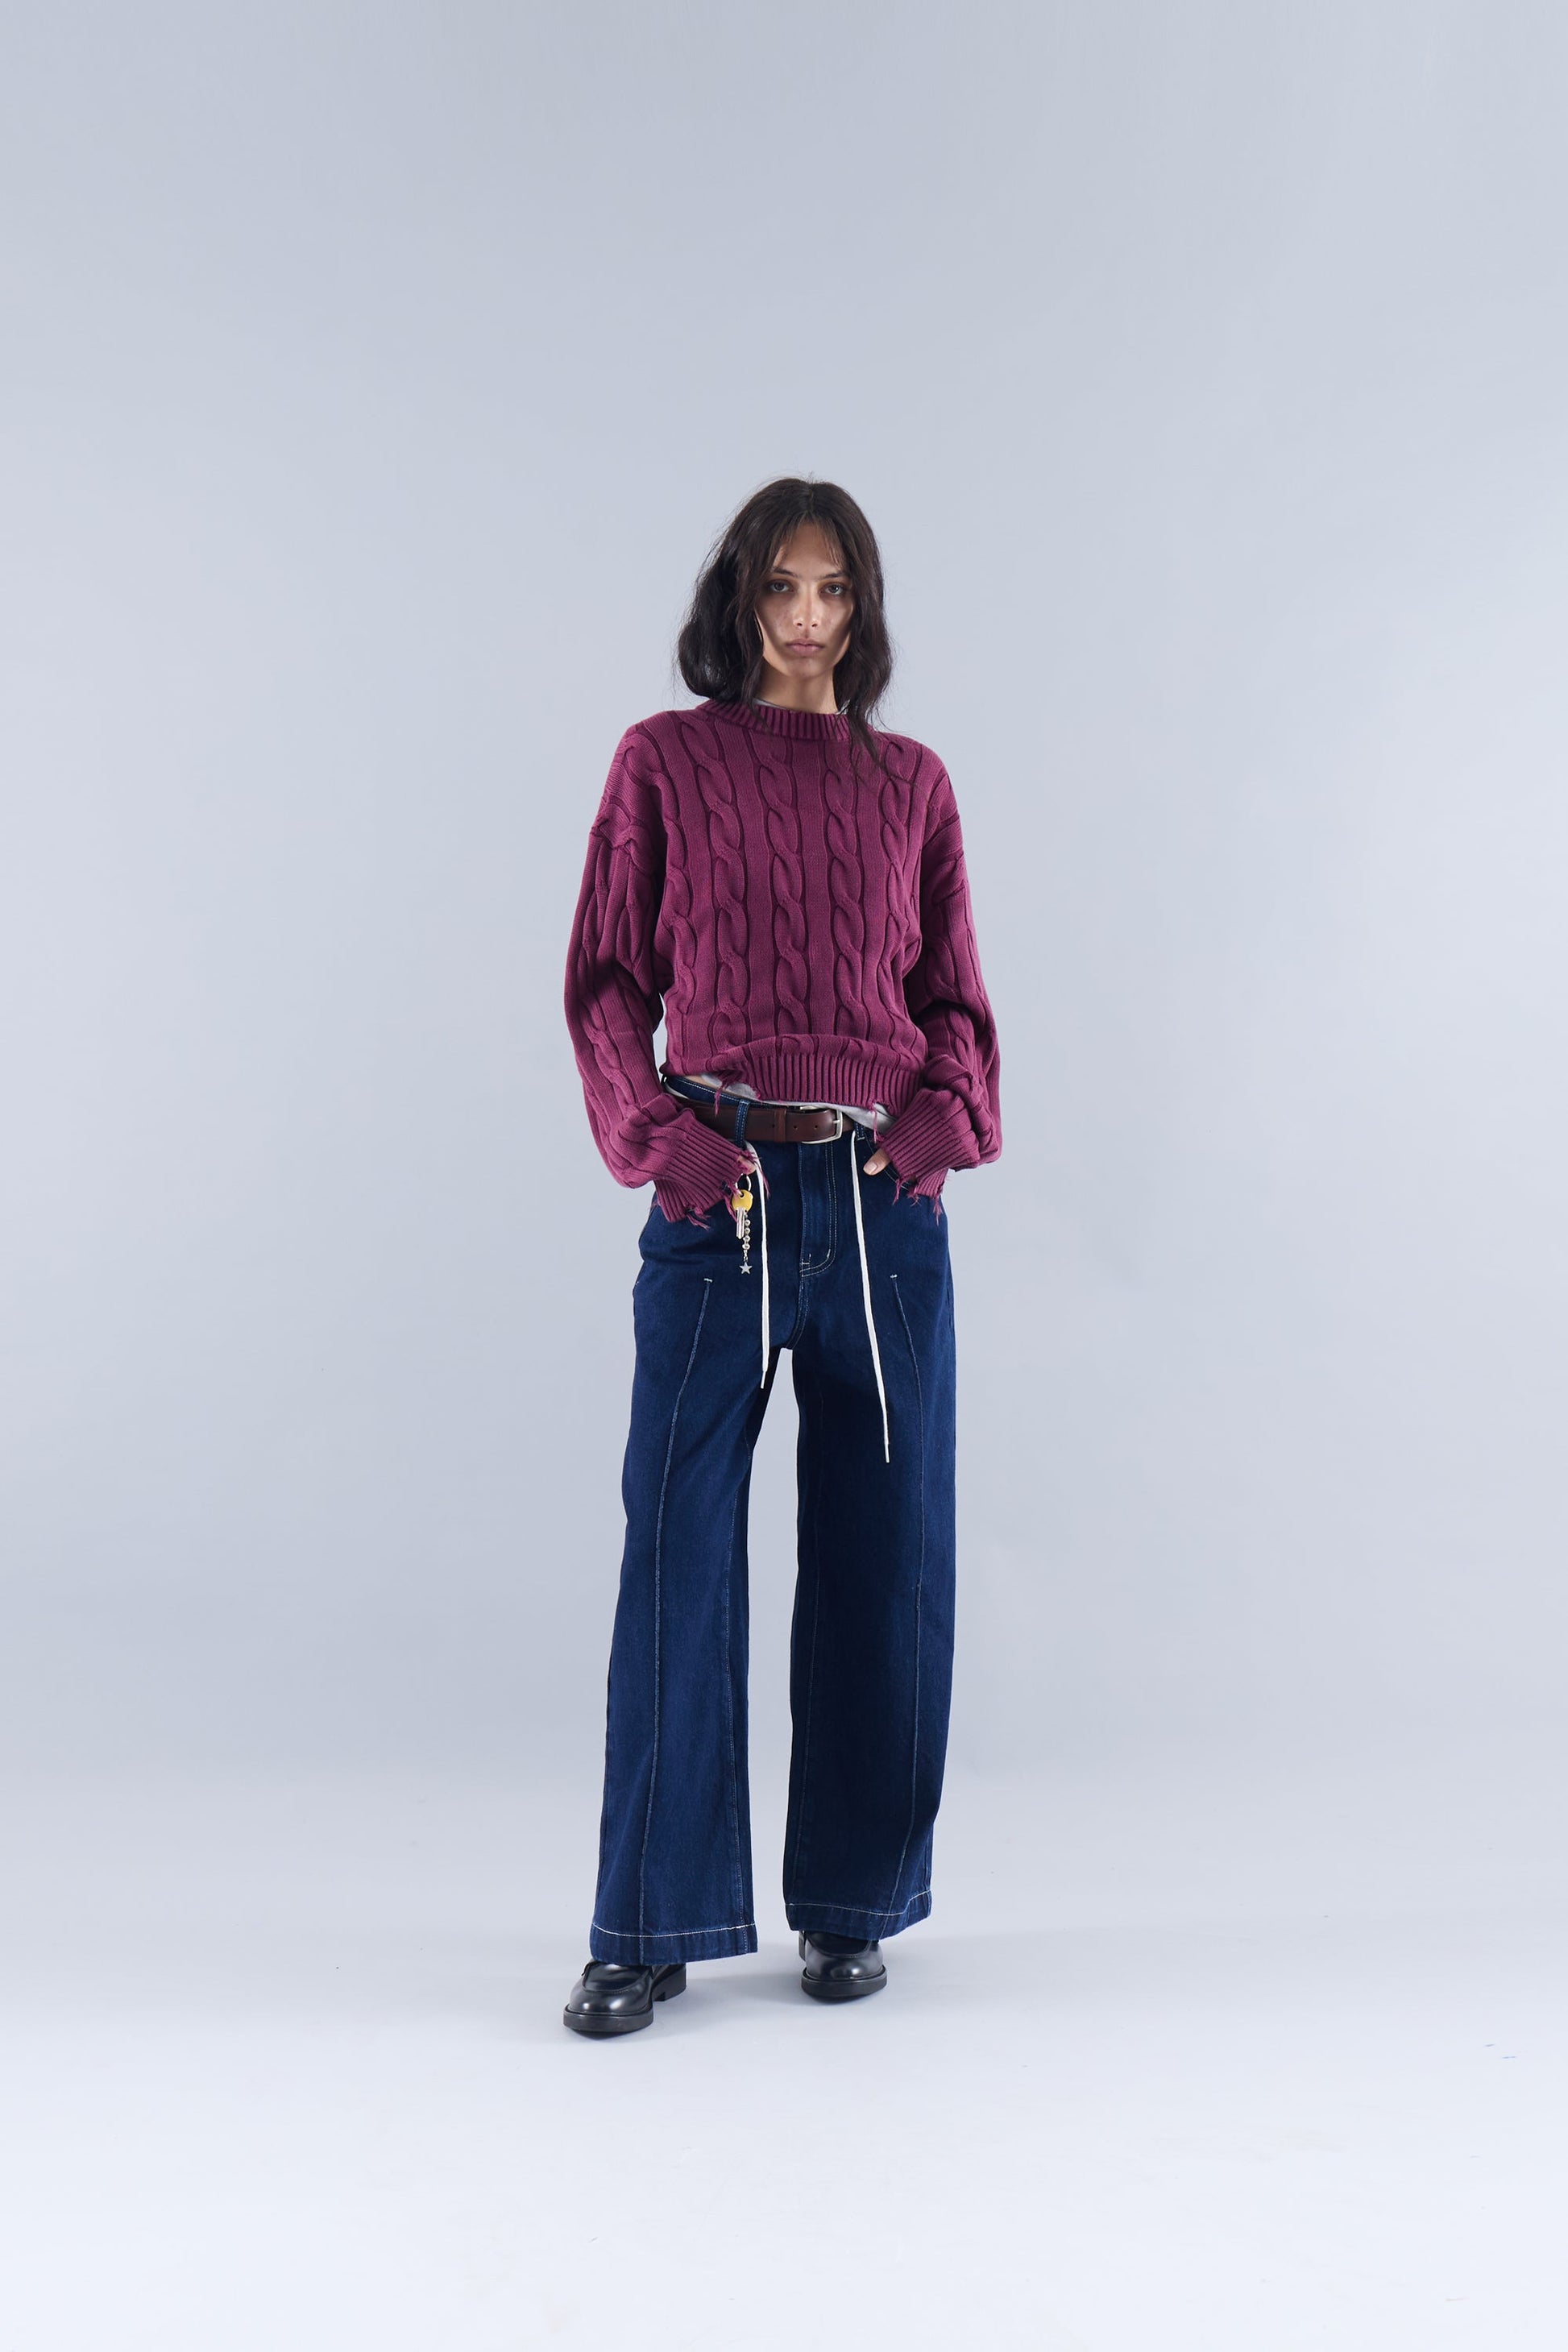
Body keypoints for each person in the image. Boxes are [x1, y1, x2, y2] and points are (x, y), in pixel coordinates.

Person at [560, 478, 1001, 2036]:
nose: (807, 619)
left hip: (880, 1204)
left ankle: (852, 1905)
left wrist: (939, 1126)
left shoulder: (911, 784)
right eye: (781, 588)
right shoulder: (663, 762)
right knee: (675, 1555)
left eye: (834, 591)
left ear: (860, 609)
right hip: (721, 1197)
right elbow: (606, 983)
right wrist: (660, 1140)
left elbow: (953, 1002)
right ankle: (650, 1923)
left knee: (887, 1558)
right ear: (738, 596)